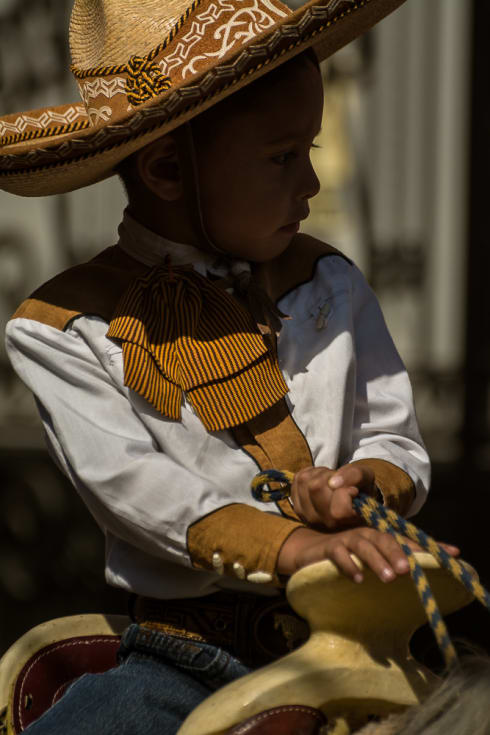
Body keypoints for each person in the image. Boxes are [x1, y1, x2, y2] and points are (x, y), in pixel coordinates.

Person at [0, 0, 459, 732]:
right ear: (165, 169)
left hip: (365, 639)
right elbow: (134, 488)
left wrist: (361, 483)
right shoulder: (65, 327)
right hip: (189, 657)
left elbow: (394, 435)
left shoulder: (330, 284)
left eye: (310, 150)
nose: (309, 185)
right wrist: (291, 544)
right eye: (283, 157)